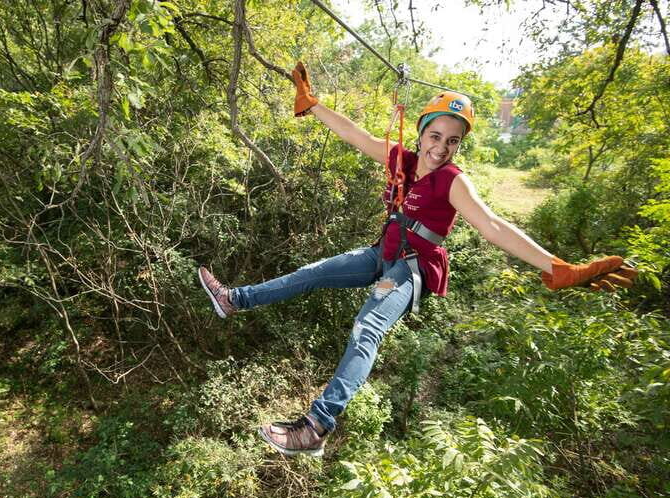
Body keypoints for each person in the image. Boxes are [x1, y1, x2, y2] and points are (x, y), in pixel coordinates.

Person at [197, 62, 637, 457]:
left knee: (367, 327)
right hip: (381, 254)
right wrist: (311, 105)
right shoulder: (402, 160)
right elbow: (355, 134)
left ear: (459, 146)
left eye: (453, 141)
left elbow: (494, 226)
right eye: (435, 136)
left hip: (410, 271)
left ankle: (316, 426)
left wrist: (556, 267)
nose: (441, 148)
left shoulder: (453, 182)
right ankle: (235, 299)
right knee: (313, 273)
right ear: (421, 132)